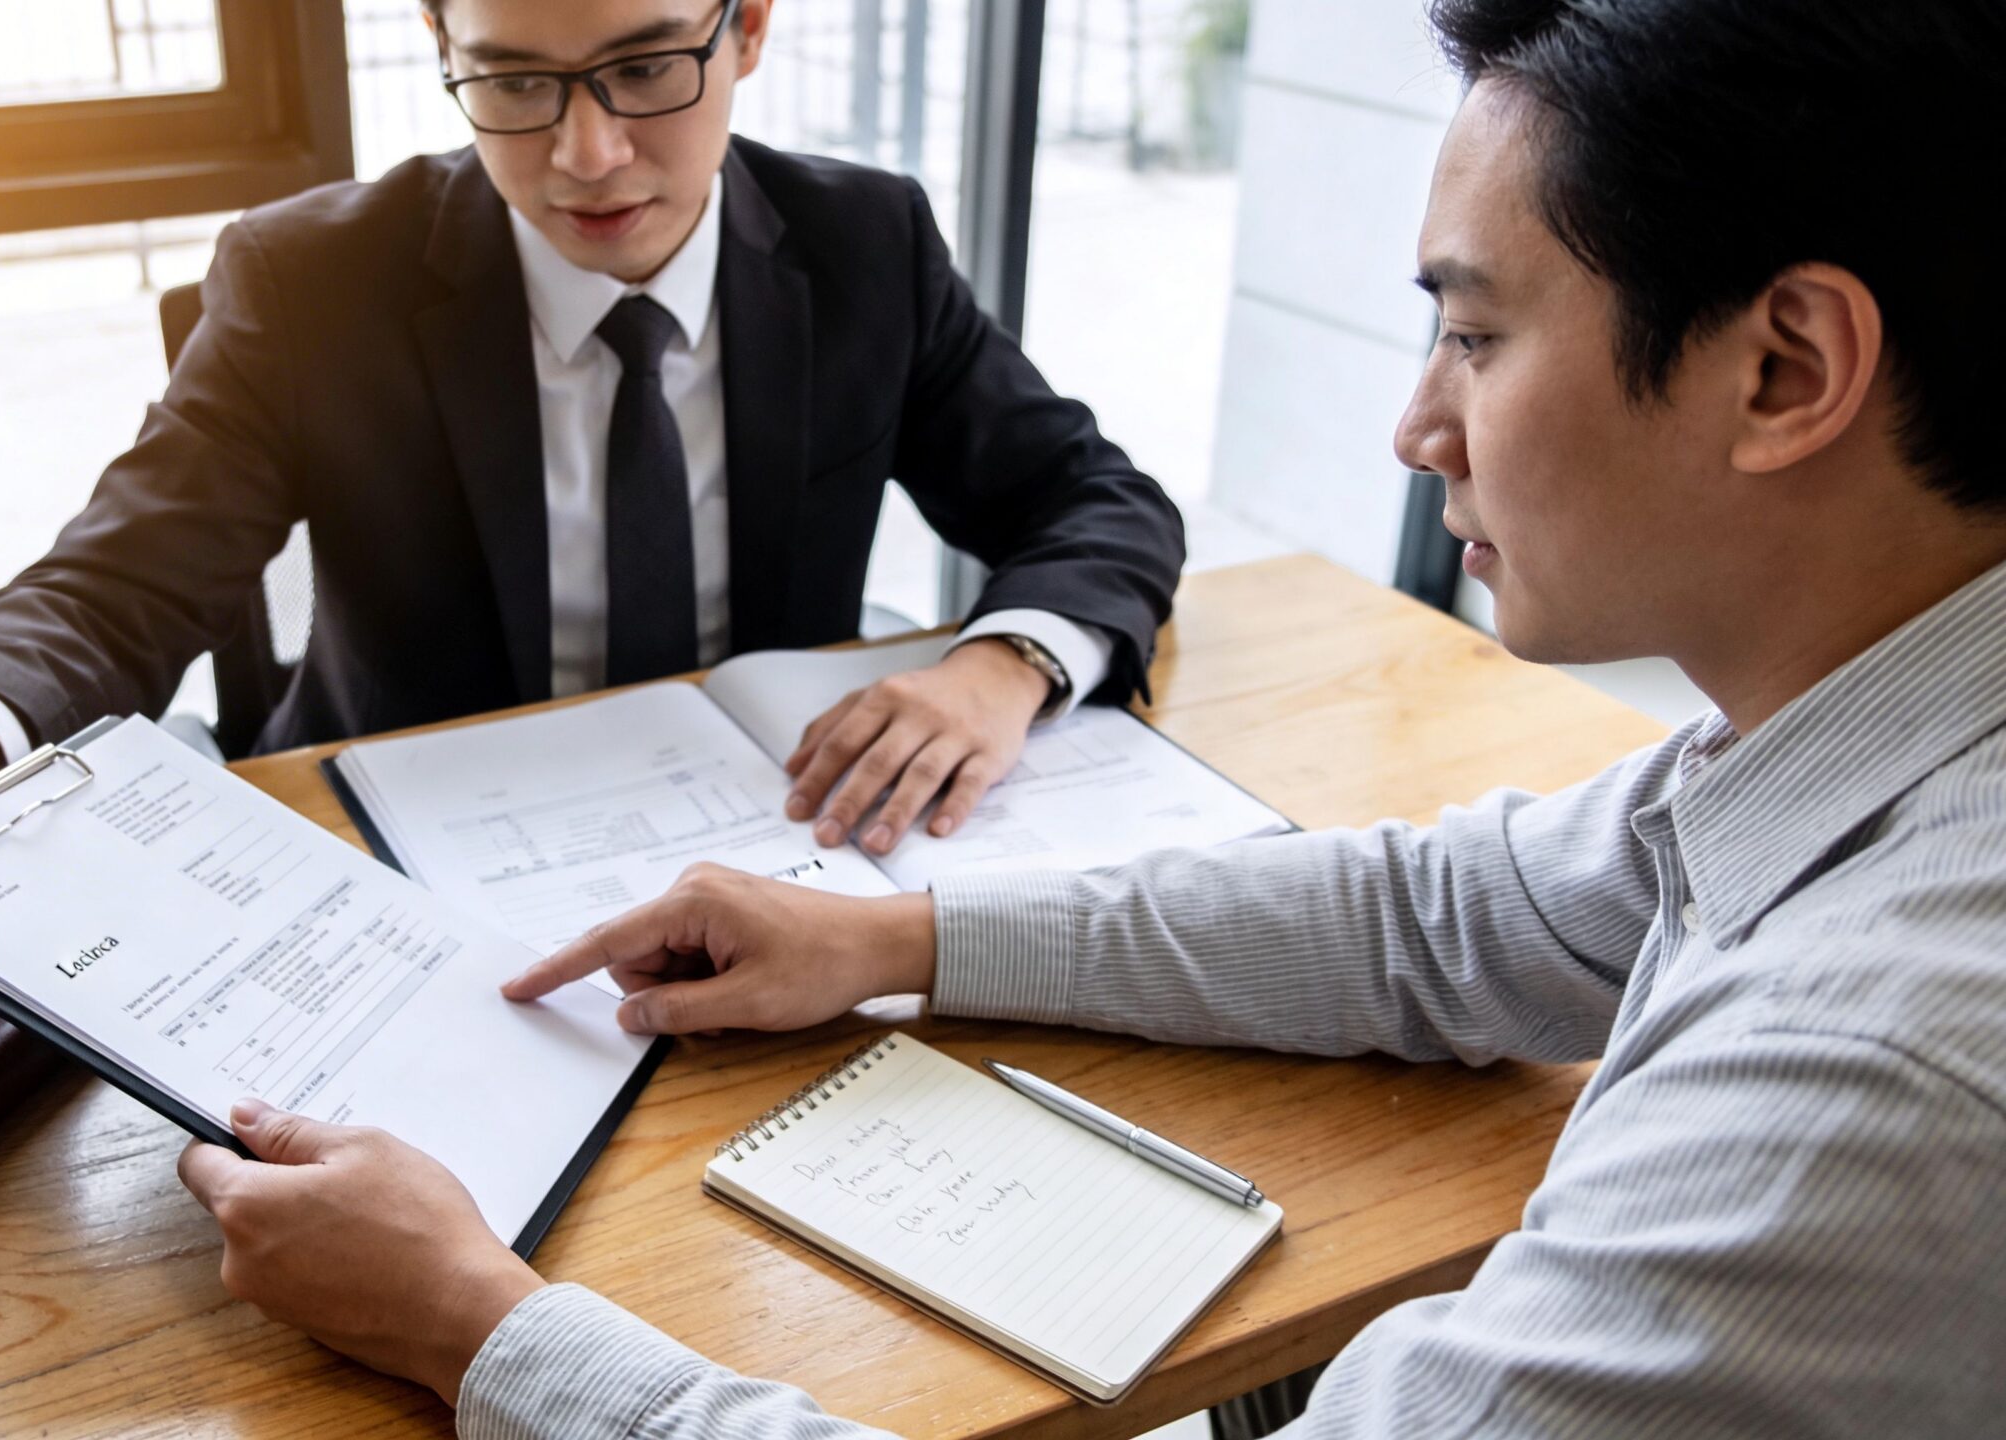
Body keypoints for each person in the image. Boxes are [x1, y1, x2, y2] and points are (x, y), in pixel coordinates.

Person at [169, 0, 2006, 1433]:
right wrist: (887, 937)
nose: (1415, 426)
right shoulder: (1843, 738)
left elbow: (1098, 506)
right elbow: (1458, 918)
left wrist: (486, 1331)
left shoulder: (1875, 1081)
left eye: (1477, 333)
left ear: (1784, 372)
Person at [0, 0, 1186, 889]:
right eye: (511, 81)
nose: (587, 156)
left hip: (771, 845)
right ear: (439, 46)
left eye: (642, 69)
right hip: (391, 863)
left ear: (747, 29)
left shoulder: (864, 244)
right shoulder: (314, 281)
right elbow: (124, 584)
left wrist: (1005, 666)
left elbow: (1090, 497)